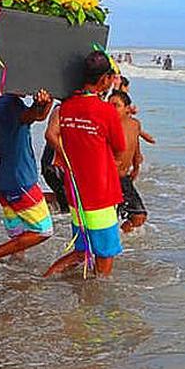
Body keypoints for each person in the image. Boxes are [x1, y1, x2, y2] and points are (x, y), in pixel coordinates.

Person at [44, 51, 126, 277]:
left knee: (82, 250)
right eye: (110, 77)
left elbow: (50, 134)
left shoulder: (66, 107)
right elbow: (120, 148)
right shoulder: (106, 111)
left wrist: (67, 155)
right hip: (99, 192)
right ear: (104, 80)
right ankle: (99, 303)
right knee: (105, 255)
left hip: (75, 191)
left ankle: (43, 281)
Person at [0, 90, 55, 263]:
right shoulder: (9, 105)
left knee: (19, 238)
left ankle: (15, 278)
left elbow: (38, 116)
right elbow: (31, 116)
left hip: (3, 177)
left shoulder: (3, 102)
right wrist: (40, 103)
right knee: (43, 230)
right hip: (19, 179)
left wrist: (47, 100)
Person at [109, 91, 148, 232]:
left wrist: (136, 167)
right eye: (109, 105)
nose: (111, 108)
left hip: (124, 177)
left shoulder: (134, 124)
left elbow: (135, 147)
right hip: (112, 178)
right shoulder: (107, 127)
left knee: (124, 215)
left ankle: (118, 238)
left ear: (127, 108)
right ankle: (118, 239)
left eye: (116, 105)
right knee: (138, 215)